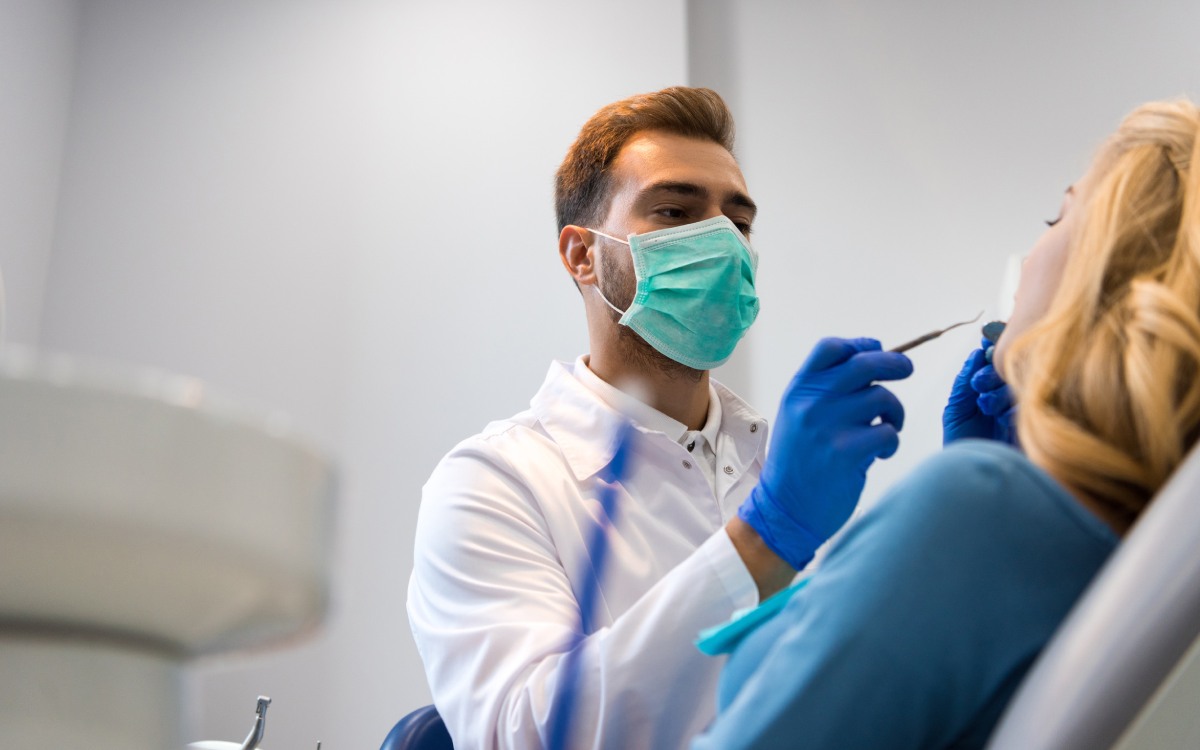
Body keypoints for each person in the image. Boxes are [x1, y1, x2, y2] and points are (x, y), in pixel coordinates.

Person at [406, 86, 912, 749]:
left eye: (739, 221)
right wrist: (765, 540)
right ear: (582, 255)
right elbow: (524, 735)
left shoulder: (784, 461)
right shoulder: (495, 484)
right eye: (675, 212)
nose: (724, 244)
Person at [692, 97, 1200, 749]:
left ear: (1109, 272)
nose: (1032, 250)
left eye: (1059, 214)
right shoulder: (1135, 546)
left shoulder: (983, 512)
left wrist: (983, 498)